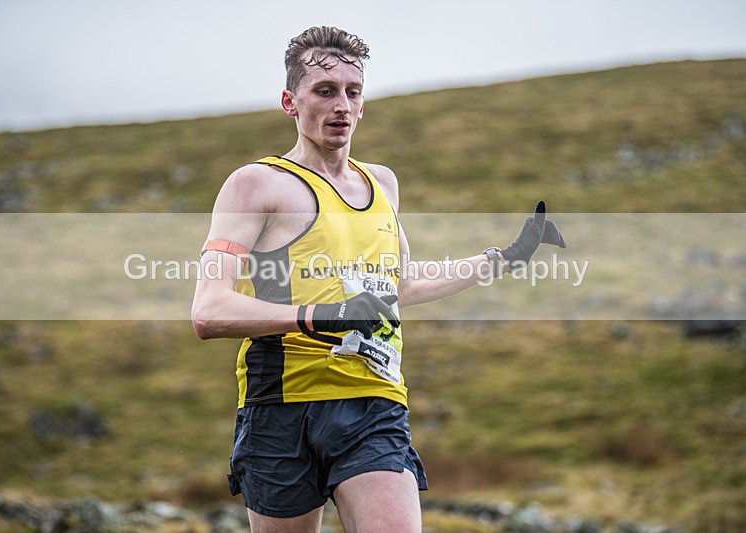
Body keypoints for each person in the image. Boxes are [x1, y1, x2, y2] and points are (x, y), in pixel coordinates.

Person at [191, 26, 565, 533]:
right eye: (325, 91)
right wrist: (321, 316)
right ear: (290, 102)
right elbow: (209, 311)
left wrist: (501, 259)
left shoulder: (382, 183)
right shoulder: (255, 184)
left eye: (353, 91)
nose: (341, 105)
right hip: (280, 405)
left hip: (373, 403)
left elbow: (399, 285)